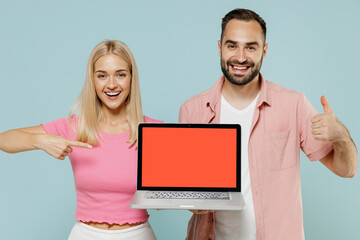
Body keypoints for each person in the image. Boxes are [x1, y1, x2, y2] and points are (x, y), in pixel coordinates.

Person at [178, 9, 358, 240]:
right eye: (232, 46)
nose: (240, 57)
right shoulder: (192, 110)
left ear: (264, 51)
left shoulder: (293, 104)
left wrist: (340, 136)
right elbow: (188, 189)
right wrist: (191, 202)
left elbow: (347, 170)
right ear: (220, 48)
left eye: (250, 47)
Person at [0, 40, 160, 240]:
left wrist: (167, 199)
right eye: (102, 76)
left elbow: (184, 186)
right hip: (85, 234)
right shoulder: (73, 127)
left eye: (120, 74)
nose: (111, 84)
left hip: (138, 234)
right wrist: (41, 141)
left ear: (131, 78)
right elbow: (4, 139)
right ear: (92, 80)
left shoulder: (153, 131)